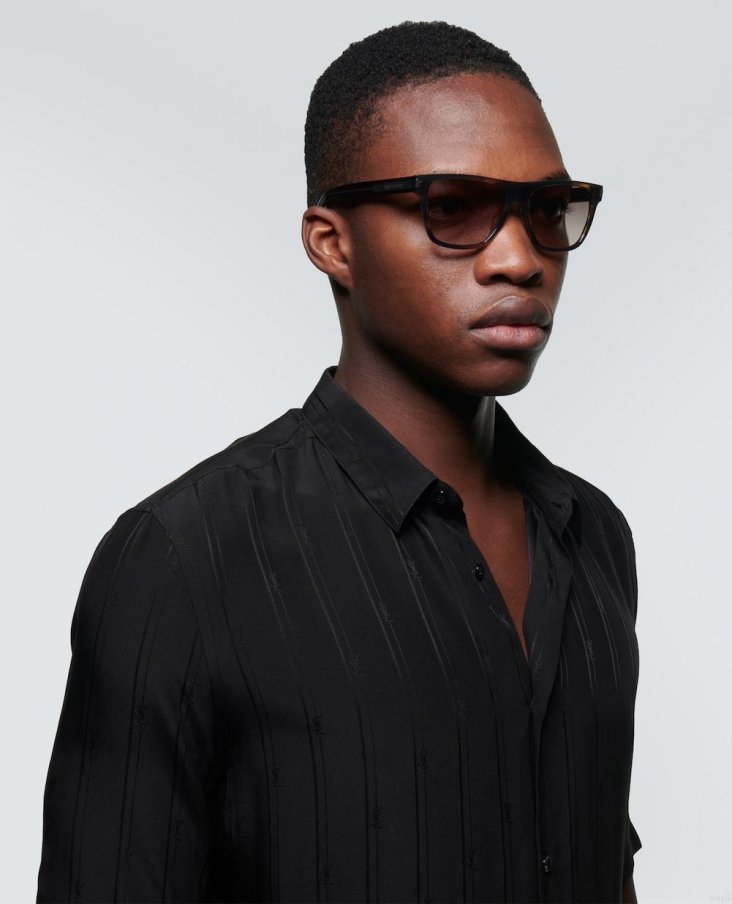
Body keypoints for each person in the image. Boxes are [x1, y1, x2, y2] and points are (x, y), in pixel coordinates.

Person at [37, 20, 642, 904]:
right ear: (332, 242)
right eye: (452, 208)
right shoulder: (183, 559)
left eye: (547, 210)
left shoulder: (594, 536)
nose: (520, 260)